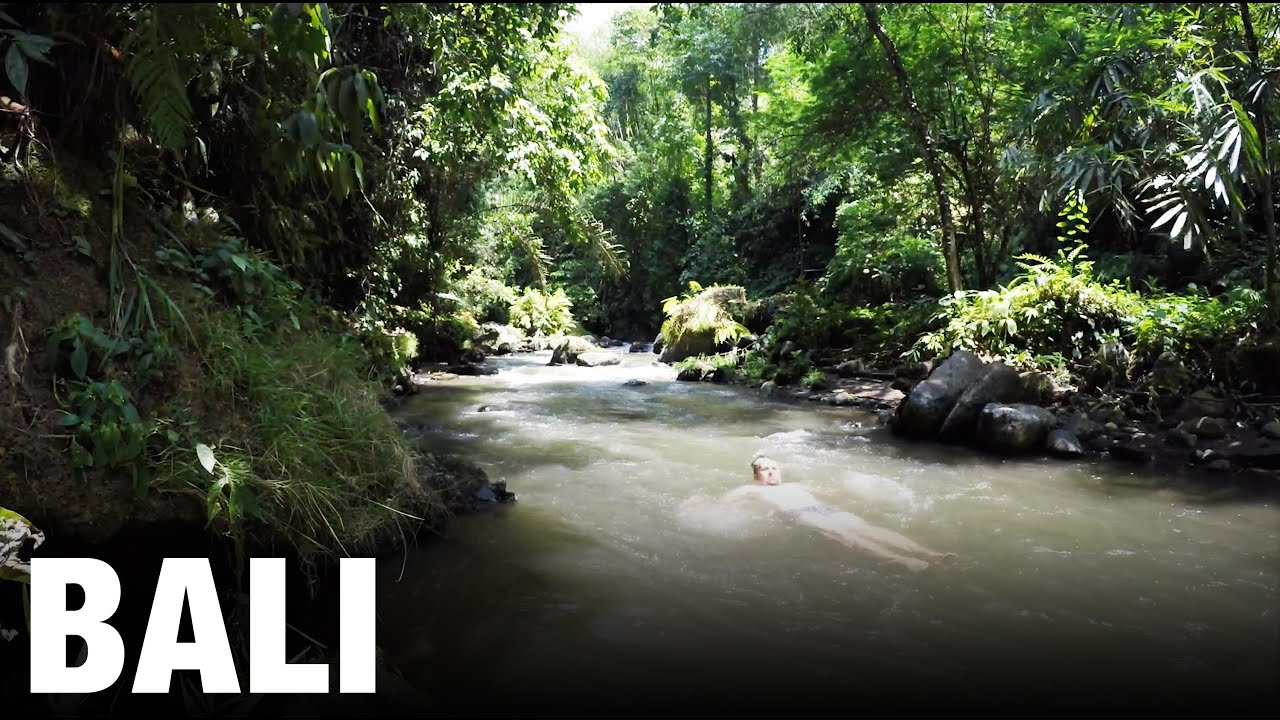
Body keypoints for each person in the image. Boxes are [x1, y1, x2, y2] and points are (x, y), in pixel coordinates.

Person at [722, 455, 952, 572]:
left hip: (824, 510)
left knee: (869, 529)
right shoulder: (749, 489)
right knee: (848, 536)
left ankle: (930, 554)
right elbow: (725, 503)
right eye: (764, 469)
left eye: (774, 468)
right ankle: (905, 561)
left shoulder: (798, 485)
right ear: (756, 476)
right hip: (801, 514)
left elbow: (833, 490)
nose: (771, 472)